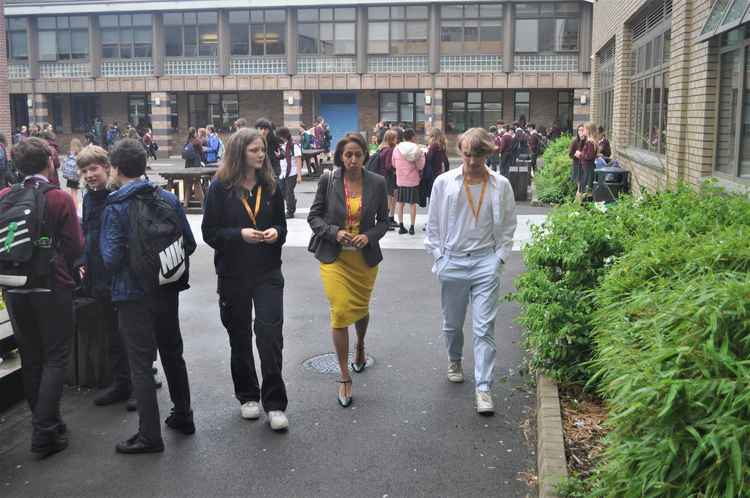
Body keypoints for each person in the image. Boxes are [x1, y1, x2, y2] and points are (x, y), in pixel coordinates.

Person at [100, 139, 197, 453]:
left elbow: (111, 259)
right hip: (166, 289)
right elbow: (189, 243)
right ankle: (183, 415)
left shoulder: (115, 206)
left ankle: (149, 436)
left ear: (115, 168)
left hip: (132, 295)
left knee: (140, 364)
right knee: (172, 353)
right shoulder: (166, 197)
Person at [201, 128, 290, 431]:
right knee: (239, 336)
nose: (261, 155)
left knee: (269, 336)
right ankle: (248, 396)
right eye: (254, 150)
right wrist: (239, 235)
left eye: (263, 149)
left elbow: (282, 224)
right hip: (233, 274)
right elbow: (209, 233)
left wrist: (277, 233)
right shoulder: (220, 187)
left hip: (267, 272)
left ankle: (275, 403)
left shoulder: (271, 185)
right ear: (239, 152)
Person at [0, 138, 84, 456]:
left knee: (31, 358)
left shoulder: (4, 196)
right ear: (49, 162)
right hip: (51, 287)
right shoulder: (59, 198)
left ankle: (46, 423)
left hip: (14, 287)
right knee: (55, 358)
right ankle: (44, 430)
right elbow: (76, 247)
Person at [425, 127, 517, 415]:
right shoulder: (444, 182)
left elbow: (509, 225)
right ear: (459, 152)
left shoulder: (501, 185)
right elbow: (434, 224)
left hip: (485, 263)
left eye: (478, 155)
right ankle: (454, 359)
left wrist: (499, 259)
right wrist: (439, 257)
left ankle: (484, 387)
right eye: (467, 154)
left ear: (487, 153)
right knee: (452, 324)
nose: (472, 161)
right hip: (452, 261)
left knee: (483, 327)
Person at [307, 133, 389, 407]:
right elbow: (314, 216)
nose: (353, 160)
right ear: (340, 156)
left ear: (365, 155)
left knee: (361, 309)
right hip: (335, 258)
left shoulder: (377, 182)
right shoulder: (328, 180)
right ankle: (344, 376)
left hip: (363, 261)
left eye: (357, 154)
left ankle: (361, 345)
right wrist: (334, 232)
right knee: (340, 310)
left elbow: (384, 222)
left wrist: (369, 236)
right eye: (347, 155)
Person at [77, 145, 134, 408]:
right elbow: (87, 235)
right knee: (111, 332)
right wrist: (82, 262)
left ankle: (137, 385)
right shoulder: (88, 198)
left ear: (107, 168)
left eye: (94, 168)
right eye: (85, 170)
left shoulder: (117, 195)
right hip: (97, 276)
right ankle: (122, 384)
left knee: (129, 332)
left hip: (120, 275)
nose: (89, 174)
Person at [393, 129, 425, 235]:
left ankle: (401, 226)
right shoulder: (417, 149)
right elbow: (421, 166)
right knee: (412, 204)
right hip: (413, 180)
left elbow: (393, 163)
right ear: (412, 137)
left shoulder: (397, 148)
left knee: (400, 203)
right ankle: (412, 227)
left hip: (400, 180)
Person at [277, 127, 303, 219]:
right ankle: (292, 201)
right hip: (282, 173)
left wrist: (299, 176)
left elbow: (298, 160)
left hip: (292, 173)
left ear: (284, 136)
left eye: (280, 136)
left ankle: (290, 212)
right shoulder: (280, 145)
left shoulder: (294, 145)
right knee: (281, 192)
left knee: (289, 192)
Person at [377, 129, 399, 228]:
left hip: (382, 176)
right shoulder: (389, 150)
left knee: (387, 198)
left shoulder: (381, 148)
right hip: (389, 176)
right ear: (391, 139)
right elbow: (388, 165)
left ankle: (387, 219)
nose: (397, 140)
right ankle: (389, 220)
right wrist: (397, 168)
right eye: (395, 138)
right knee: (391, 198)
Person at [577, 123, 598, 198]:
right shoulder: (589, 141)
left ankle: (584, 206)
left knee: (587, 189)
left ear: (588, 130)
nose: (583, 131)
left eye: (585, 129)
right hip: (587, 167)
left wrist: (580, 154)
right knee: (584, 188)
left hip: (588, 168)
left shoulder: (590, 143)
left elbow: (589, 156)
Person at [61, 138, 83, 210]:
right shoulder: (81, 153)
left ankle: (75, 209)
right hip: (78, 175)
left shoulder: (70, 153)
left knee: (73, 193)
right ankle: (76, 207)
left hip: (71, 175)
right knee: (77, 192)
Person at [569, 124, 586, 190]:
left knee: (583, 183)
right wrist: (575, 155)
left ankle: (579, 197)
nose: (580, 132)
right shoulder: (575, 141)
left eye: (582, 130)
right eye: (579, 130)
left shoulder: (587, 141)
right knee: (579, 183)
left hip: (584, 164)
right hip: (577, 164)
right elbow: (570, 154)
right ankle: (578, 197)